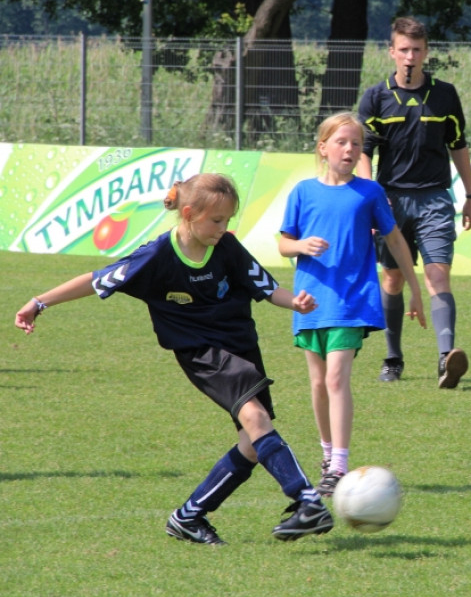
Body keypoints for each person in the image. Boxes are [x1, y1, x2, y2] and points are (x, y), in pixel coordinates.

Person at [15, 173, 333, 545]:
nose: (223, 227)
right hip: (201, 352)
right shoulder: (157, 256)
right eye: (216, 220)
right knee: (256, 418)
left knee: (252, 439)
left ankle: (189, 516)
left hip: (241, 347)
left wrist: (293, 301)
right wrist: (39, 302)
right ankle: (307, 499)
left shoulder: (227, 248)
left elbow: (266, 287)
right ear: (188, 213)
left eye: (228, 220)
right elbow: (97, 279)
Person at [279, 112, 425, 497]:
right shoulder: (302, 192)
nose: (349, 149)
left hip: (352, 300)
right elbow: (282, 243)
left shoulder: (369, 193)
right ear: (323, 148)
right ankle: (327, 456)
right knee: (317, 382)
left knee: (335, 378)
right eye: (341, 142)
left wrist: (415, 288)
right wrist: (299, 246)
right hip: (309, 301)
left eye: (356, 144)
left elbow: (395, 242)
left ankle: (340, 463)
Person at [357, 16, 471, 389]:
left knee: (437, 273)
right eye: (404, 49)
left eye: (417, 50)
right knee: (392, 278)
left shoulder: (445, 94)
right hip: (390, 200)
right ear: (392, 52)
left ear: (426, 53)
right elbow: (364, 153)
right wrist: (372, 199)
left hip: (435, 200)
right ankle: (393, 358)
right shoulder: (376, 98)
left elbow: (458, 146)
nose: (410, 56)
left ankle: (447, 358)